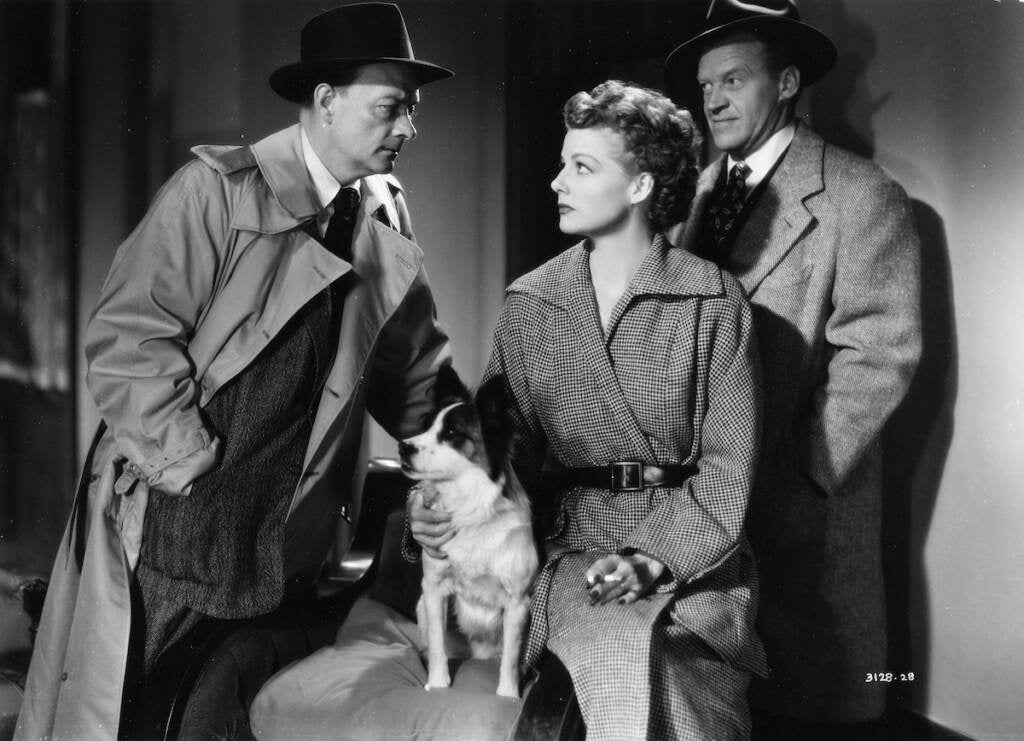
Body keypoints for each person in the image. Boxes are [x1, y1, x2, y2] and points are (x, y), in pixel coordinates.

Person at [16, 3, 454, 739]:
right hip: (179, 524)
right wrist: (190, 467)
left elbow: (417, 382)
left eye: (411, 109)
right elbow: (129, 337)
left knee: (220, 714)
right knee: (138, 713)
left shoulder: (384, 225)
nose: (409, 127)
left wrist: (459, 466)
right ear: (325, 100)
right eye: (391, 108)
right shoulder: (214, 191)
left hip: (286, 540)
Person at [411, 80, 768, 740]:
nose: (556, 182)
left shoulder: (712, 302)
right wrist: (433, 506)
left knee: (674, 675)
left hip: (690, 559)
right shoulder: (532, 302)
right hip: (566, 547)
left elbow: (726, 472)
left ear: (640, 186)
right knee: (609, 651)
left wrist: (650, 559)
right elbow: (493, 443)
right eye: (561, 163)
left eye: (582, 166)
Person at [665, 1, 923, 737]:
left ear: (785, 82)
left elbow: (881, 350)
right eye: (705, 83)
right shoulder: (697, 192)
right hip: (706, 507)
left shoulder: (859, 194)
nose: (712, 98)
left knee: (804, 707)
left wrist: (802, 468)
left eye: (733, 79)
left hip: (799, 517)